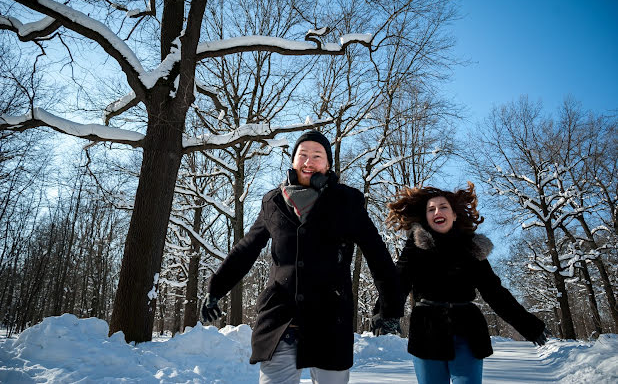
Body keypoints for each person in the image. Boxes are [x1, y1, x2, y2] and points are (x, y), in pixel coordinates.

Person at [202, 130, 402, 384]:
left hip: (330, 320)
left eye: (317, 156)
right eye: (303, 155)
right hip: (280, 319)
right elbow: (247, 248)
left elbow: (378, 255)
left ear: (328, 164)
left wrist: (390, 308)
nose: (309, 161)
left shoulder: (347, 202)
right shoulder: (273, 202)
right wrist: (216, 288)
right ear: (293, 161)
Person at [372, 182, 549, 384]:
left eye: (443, 207)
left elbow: (495, 292)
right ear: (427, 217)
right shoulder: (415, 247)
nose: (437, 211)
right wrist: (387, 314)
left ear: (455, 215)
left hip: (468, 331)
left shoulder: (472, 248)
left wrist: (529, 326)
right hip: (426, 331)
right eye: (431, 209)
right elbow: (398, 282)